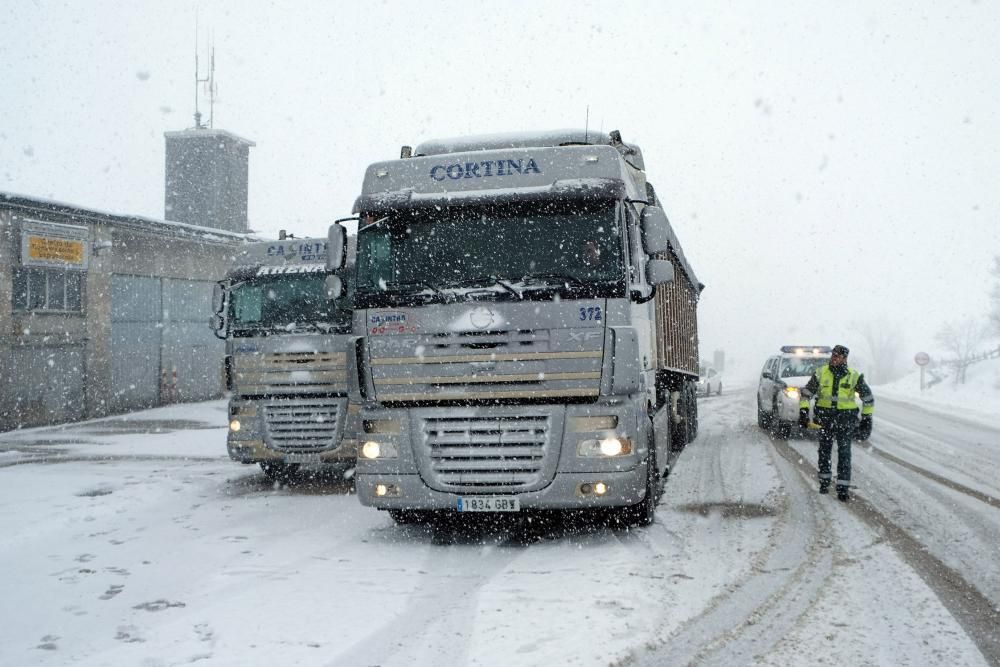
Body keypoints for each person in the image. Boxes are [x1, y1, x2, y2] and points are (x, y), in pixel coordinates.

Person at [798, 344, 874, 501]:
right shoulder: (821, 373)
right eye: (833, 355)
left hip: (845, 421)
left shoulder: (854, 376)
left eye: (837, 356)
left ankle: (842, 488)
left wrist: (867, 419)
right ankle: (824, 483)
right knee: (824, 452)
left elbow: (868, 399)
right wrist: (804, 412)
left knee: (844, 454)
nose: (834, 358)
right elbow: (806, 394)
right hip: (825, 421)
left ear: (845, 359)